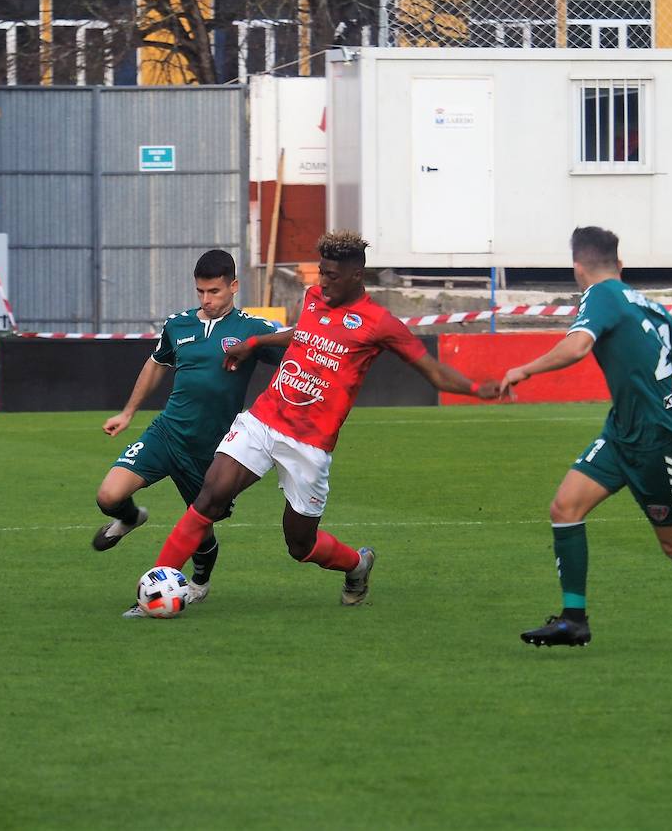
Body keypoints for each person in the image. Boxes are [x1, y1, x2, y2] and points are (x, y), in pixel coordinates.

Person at [142, 231, 503, 613]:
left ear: (356, 276)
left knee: (300, 545)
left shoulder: (379, 323)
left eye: (331, 275)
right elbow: (304, 334)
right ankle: (154, 589)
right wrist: (256, 343)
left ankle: (357, 565)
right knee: (209, 496)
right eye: (320, 273)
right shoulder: (314, 298)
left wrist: (477, 388)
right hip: (265, 418)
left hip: (310, 444)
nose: (322, 282)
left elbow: (432, 371)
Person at [500, 227, 672, 652]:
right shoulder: (646, 304)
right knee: (565, 507)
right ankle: (574, 619)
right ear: (621, 264)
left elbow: (577, 348)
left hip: (659, 442)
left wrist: (525, 369)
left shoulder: (600, 295)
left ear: (578, 267)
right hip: (622, 432)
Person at [91, 249, 283, 617]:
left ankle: (199, 582)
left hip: (212, 451)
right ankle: (130, 518)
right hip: (168, 433)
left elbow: (293, 353)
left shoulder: (252, 329)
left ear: (234, 286)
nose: (206, 299)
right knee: (108, 495)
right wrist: (128, 412)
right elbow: (155, 364)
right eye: (200, 292)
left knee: (201, 531)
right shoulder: (177, 325)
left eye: (214, 291)